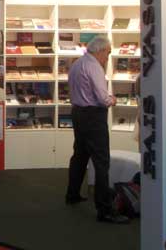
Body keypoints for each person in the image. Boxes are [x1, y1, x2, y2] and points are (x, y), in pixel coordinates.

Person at [66, 36, 129, 224]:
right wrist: (113, 99)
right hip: (94, 116)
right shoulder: (94, 67)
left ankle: (72, 194)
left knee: (80, 155)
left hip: (78, 113)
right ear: (100, 50)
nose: (107, 58)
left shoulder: (77, 64)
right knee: (101, 162)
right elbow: (103, 99)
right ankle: (105, 210)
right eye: (108, 53)